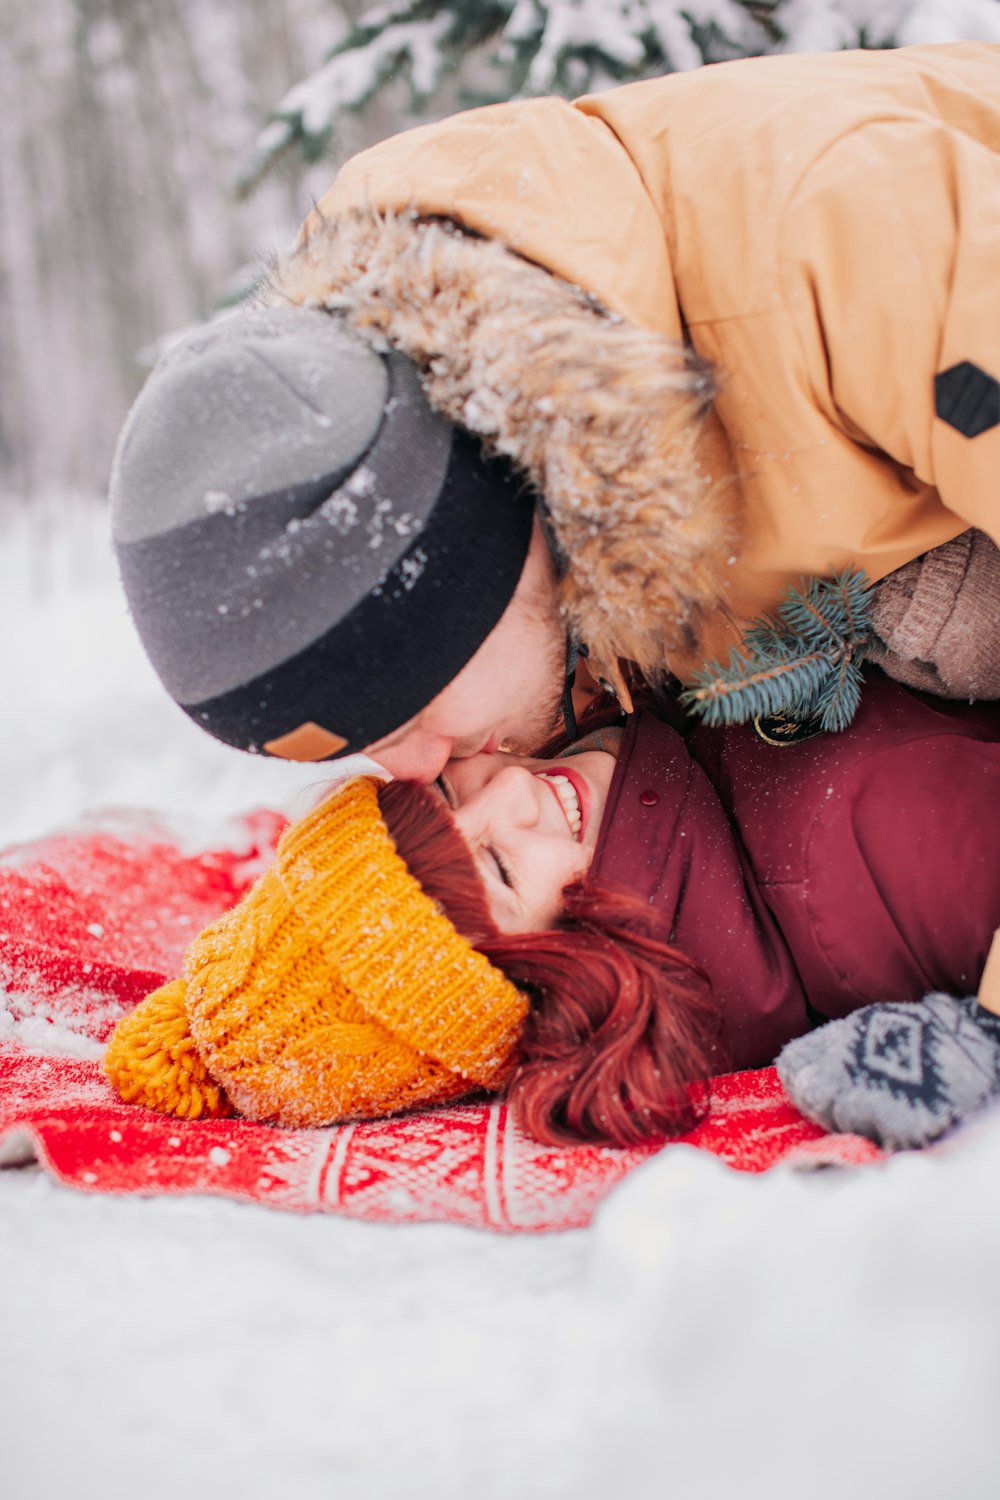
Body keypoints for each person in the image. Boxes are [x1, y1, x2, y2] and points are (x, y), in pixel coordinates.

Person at [109, 43, 1000, 784]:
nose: (417, 773)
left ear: (460, 564)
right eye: (366, 750)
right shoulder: (533, 529)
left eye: (404, 713)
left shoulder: (850, 247)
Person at [104, 670, 1000, 1152]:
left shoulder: (654, 751)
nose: (516, 795)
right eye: (496, 865)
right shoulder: (854, 849)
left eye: (449, 798)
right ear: (555, 982)